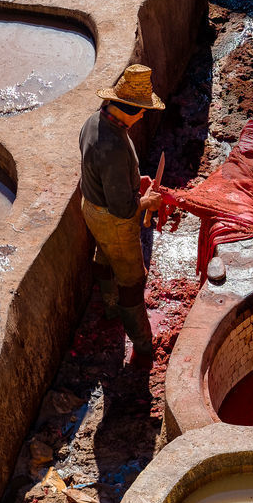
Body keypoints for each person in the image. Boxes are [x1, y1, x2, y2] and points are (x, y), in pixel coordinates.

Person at [79, 64, 165, 366]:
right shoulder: (114, 146)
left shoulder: (94, 121)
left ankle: (110, 307)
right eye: (140, 111)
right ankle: (142, 344)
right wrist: (146, 200)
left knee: (103, 256)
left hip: (91, 206)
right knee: (132, 279)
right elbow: (123, 209)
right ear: (127, 108)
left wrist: (136, 183)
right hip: (112, 219)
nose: (142, 116)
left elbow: (105, 177)